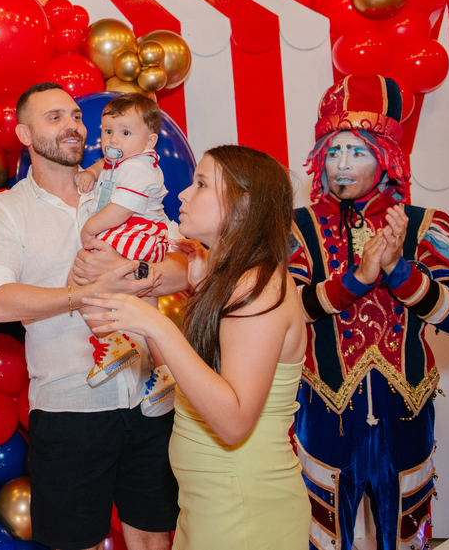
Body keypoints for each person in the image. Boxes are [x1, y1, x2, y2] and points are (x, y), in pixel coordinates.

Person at [0, 82, 179, 550]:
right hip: (71, 407)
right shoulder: (7, 209)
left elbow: (183, 268)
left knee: (154, 536)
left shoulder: (122, 184)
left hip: (152, 401)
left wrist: (134, 269)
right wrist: (83, 293)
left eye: (75, 116)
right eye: (55, 118)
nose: (73, 125)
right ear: (24, 134)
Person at [81, 145, 309, 550]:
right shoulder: (231, 279)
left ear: (244, 206)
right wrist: (138, 318)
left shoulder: (257, 289)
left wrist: (156, 325)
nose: (183, 195)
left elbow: (234, 421)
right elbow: (198, 376)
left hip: (242, 508)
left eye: (201, 184)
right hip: (207, 503)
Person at [289, 76, 449, 550]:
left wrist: (398, 272)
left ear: (387, 157)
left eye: (357, 151)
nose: (342, 164)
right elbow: (288, 309)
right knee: (321, 535)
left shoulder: (430, 225)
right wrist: (356, 281)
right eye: (332, 152)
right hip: (323, 409)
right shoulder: (296, 228)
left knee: (405, 532)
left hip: (405, 408)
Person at [74, 94, 174, 412]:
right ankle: (166, 371)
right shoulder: (126, 162)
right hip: (144, 237)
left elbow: (119, 210)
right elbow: (106, 164)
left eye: (125, 133)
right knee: (148, 309)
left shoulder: (137, 170)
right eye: (107, 131)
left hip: (137, 233)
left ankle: (115, 342)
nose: (113, 139)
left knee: (82, 277)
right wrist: (91, 171)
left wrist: (90, 228)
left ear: (151, 141)